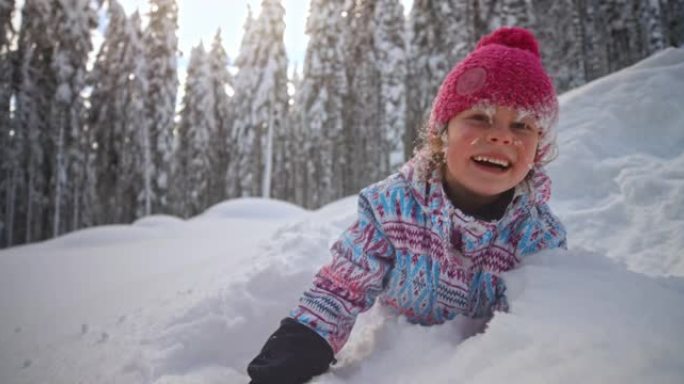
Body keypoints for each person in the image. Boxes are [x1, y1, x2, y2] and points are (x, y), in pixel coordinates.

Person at [247, 26, 567, 384]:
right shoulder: (391, 209)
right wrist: (288, 361)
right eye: (480, 117)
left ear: (538, 150)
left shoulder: (537, 233)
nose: (501, 135)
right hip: (399, 364)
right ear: (442, 133)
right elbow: (340, 289)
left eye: (522, 126)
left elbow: (543, 322)